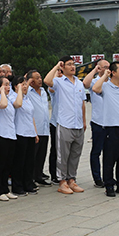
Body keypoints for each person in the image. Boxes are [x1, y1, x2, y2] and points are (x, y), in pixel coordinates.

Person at [92, 61, 119, 197]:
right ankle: (109, 185)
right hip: (111, 127)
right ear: (113, 72)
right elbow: (95, 89)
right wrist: (105, 75)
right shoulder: (106, 86)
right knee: (110, 158)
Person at [44, 57, 86, 195]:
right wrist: (57, 66)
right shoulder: (59, 82)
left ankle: (71, 180)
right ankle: (62, 181)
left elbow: (82, 104)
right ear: (63, 67)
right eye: (69, 64)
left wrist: (84, 121)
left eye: (73, 64)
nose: (73, 67)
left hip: (78, 124)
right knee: (63, 155)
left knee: (75, 154)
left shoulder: (79, 83)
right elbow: (47, 81)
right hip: (65, 124)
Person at [11, 76, 39, 195]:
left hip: (30, 133)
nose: (25, 86)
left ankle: (28, 184)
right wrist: (19, 91)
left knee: (29, 161)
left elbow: (31, 116)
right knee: (19, 162)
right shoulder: (13, 97)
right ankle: (17, 186)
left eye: (25, 84)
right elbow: (18, 104)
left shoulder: (27, 99)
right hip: (20, 133)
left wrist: (35, 132)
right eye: (22, 84)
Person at [84, 60, 109, 188]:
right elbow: (85, 84)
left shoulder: (112, 83)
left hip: (111, 123)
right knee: (96, 151)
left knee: (110, 153)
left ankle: (108, 177)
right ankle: (97, 178)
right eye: (105, 67)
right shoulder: (95, 82)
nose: (107, 69)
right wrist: (95, 71)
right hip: (98, 122)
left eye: (109, 67)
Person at [0, 76, 16, 200]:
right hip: (0, 134)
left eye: (9, 84)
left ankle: (5, 189)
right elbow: (2, 105)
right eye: (5, 84)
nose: (8, 87)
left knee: (7, 165)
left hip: (11, 134)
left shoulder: (9, 99)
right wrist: (1, 92)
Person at [27, 70, 51, 187]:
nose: (40, 80)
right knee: (32, 156)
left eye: (40, 77)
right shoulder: (28, 91)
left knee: (42, 155)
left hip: (45, 128)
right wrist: (28, 82)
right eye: (36, 78)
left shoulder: (43, 91)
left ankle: (38, 176)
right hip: (34, 129)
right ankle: (30, 178)